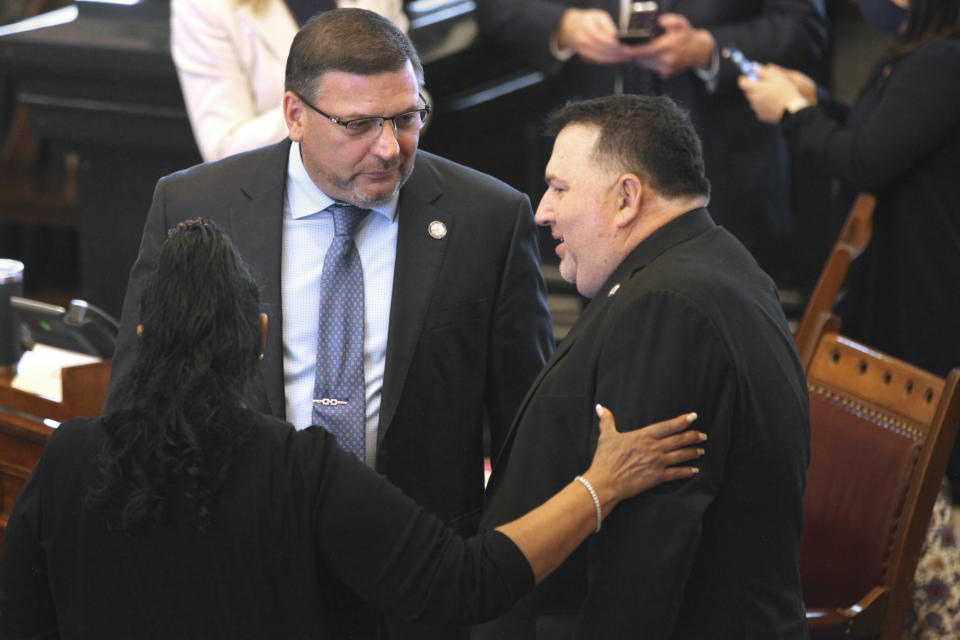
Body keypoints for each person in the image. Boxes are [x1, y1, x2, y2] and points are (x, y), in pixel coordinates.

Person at [0, 218, 706, 639]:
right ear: (259, 339)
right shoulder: (300, 470)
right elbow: (465, 581)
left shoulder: (67, 458)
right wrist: (601, 483)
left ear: (144, 335)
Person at [107, 9, 555, 639]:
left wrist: (502, 611)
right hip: (237, 581)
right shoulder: (195, 206)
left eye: (406, 117)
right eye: (358, 124)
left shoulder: (489, 220)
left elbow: (524, 442)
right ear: (294, 115)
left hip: (418, 593)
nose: (389, 147)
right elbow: (136, 403)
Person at [473, 95, 811, 639]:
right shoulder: (712, 259)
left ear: (627, 197)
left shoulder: (667, 307)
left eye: (560, 188)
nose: (542, 211)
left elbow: (644, 555)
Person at [738, 1, 960, 634]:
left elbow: (864, 163)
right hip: (901, 277)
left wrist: (794, 113)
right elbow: (876, 134)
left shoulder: (943, 58)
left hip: (922, 285)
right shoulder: (919, 53)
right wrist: (817, 103)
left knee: (925, 468)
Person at [475, 0, 828, 278]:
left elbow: (803, 27)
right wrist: (563, 26)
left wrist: (708, 48)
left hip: (721, 164)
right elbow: (498, 7)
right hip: (593, 161)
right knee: (606, 330)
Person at [172, 0, 409, 161]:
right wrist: (328, 108)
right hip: (278, 193)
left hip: (384, 175)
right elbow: (224, 148)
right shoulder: (205, 6)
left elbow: (413, 97)